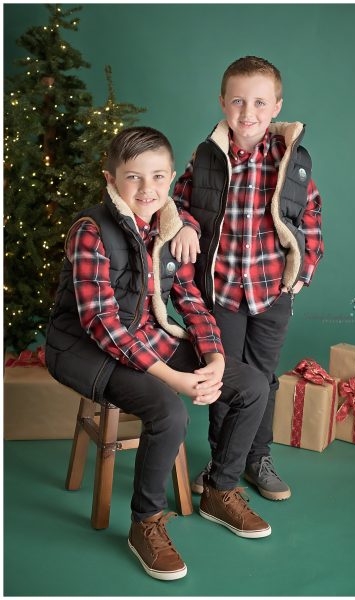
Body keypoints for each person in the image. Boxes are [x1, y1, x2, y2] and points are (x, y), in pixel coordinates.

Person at [45, 126, 273, 582]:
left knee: (251, 384)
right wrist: (172, 378)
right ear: (110, 178)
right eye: (133, 178)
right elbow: (102, 325)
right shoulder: (90, 231)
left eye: (157, 177)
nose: (147, 190)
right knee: (169, 411)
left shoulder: (171, 227)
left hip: (150, 335)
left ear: (170, 178)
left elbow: (187, 295)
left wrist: (215, 358)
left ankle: (219, 489)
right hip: (89, 350)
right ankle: (144, 522)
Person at [172, 56, 324, 502]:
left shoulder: (290, 161)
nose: (248, 111)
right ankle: (224, 464)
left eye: (259, 102)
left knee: (265, 377)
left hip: (271, 291)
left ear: (276, 106)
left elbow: (309, 215)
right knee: (227, 378)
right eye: (238, 101)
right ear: (222, 103)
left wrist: (302, 273)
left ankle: (257, 458)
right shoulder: (206, 157)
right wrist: (183, 224)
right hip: (220, 290)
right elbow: (179, 201)